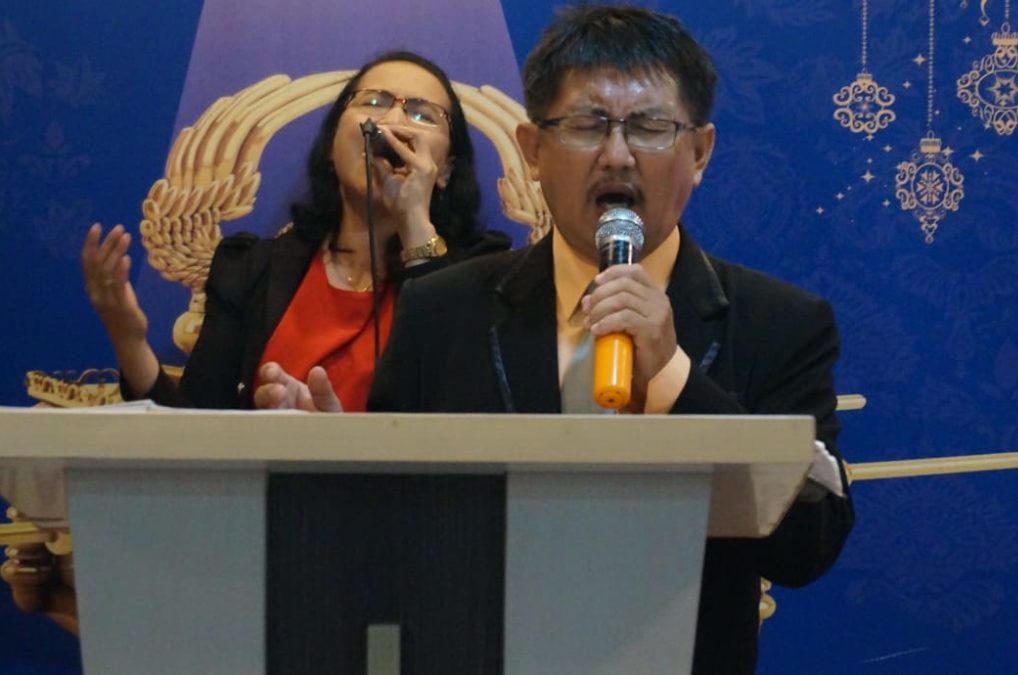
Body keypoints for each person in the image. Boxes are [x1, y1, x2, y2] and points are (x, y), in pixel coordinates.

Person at [263, 6, 854, 672]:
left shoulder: (781, 323)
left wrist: (673, 378)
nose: (617, 155)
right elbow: (390, 541)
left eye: (650, 127)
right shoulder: (442, 310)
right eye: (587, 125)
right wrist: (333, 469)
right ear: (533, 149)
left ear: (699, 152)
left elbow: (809, 546)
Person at [81, 51, 509, 411]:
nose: (392, 122)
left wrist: (413, 219)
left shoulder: (483, 274)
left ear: (446, 169)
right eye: (374, 102)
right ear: (332, 145)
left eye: (421, 113)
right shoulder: (250, 270)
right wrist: (129, 341)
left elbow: (469, 408)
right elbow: (196, 432)